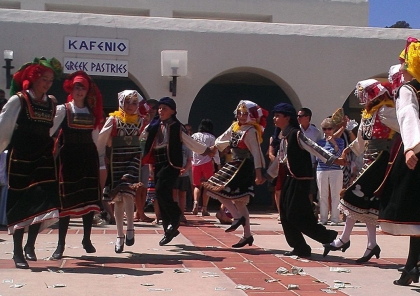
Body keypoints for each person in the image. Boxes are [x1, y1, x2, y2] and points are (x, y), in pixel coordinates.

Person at [323, 79, 399, 262]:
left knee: (352, 196)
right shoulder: (368, 114)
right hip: (368, 161)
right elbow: (360, 141)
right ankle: (371, 245)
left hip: (380, 162)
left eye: (366, 93)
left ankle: (343, 239)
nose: (362, 98)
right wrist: (349, 149)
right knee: (366, 204)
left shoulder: (385, 111)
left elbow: (405, 127)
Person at [0, 57, 62, 268]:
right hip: (21, 158)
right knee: (20, 203)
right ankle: (17, 251)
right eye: (44, 79)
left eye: (51, 80)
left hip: (43, 157)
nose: (47, 83)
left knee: (42, 201)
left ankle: (30, 246)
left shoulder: (52, 103)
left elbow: (50, 130)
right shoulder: (19, 100)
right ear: (33, 77)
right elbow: (4, 128)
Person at [264, 103, 341, 257]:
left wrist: (334, 160)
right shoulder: (284, 136)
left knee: (295, 215)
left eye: (278, 115)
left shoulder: (296, 134)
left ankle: (328, 237)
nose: (274, 118)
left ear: (287, 118)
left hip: (300, 180)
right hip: (289, 179)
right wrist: (267, 176)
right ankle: (300, 247)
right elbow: (281, 159)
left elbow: (314, 148)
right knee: (285, 215)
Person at [141, 97, 215, 246]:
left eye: (165, 108)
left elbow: (190, 142)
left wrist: (206, 151)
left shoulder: (177, 127)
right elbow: (142, 137)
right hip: (158, 163)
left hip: (172, 164)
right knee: (161, 194)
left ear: (173, 111)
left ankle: (175, 218)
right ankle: (169, 229)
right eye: (160, 108)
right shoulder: (154, 125)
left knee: (162, 190)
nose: (161, 111)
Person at [378, 37, 420, 286]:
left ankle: (410, 268)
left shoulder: (409, 90)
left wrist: (412, 148)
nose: (402, 69)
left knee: (414, 212)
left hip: (416, 155)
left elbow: (408, 117)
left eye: (404, 63)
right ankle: (410, 268)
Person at [49, 71, 103, 259]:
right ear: (71, 88)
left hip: (88, 158)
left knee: (88, 199)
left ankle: (87, 239)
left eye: (83, 87)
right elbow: (50, 130)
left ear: (88, 91)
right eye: (77, 86)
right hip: (69, 158)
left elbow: (97, 139)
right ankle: (60, 245)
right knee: (66, 201)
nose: (80, 91)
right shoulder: (64, 109)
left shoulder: (91, 111)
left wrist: (101, 162)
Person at [203, 100, 267, 248]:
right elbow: (223, 138)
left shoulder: (251, 131)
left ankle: (238, 220)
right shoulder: (235, 126)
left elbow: (256, 153)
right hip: (234, 163)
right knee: (221, 192)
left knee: (222, 191)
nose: (241, 116)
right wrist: (214, 147)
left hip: (243, 165)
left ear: (251, 115)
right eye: (239, 113)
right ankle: (246, 233)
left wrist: (258, 172)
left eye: (245, 113)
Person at [97, 90, 149, 253]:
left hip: (132, 159)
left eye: (134, 102)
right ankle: (120, 235)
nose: (131, 106)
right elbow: (101, 139)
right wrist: (100, 158)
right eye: (128, 102)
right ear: (121, 103)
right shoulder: (113, 119)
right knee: (118, 199)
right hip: (116, 160)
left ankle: (131, 228)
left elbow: (144, 138)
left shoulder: (141, 121)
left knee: (128, 191)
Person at [316, 118, 344, 226]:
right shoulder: (320, 142)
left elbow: (339, 156)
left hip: (336, 170)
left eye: (330, 129)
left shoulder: (340, 141)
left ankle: (335, 218)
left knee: (335, 195)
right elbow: (318, 157)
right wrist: (330, 155)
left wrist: (334, 144)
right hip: (322, 169)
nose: (327, 131)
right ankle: (323, 218)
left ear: (334, 129)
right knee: (323, 195)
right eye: (325, 129)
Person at [133, 99, 158, 223]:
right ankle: (140, 213)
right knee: (138, 187)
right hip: (138, 158)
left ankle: (139, 212)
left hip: (148, 159)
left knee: (144, 188)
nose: (151, 110)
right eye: (150, 107)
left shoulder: (156, 123)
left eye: (154, 108)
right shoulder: (140, 121)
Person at [191, 119, 221, 216]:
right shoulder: (211, 137)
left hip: (195, 163)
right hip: (207, 163)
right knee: (207, 186)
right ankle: (204, 208)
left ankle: (195, 202)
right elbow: (215, 153)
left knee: (196, 185)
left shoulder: (194, 136)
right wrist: (218, 165)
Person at [297, 108, 323, 208]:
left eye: (300, 116)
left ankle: (308, 210)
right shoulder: (296, 130)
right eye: (297, 116)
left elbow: (318, 149)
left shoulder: (316, 132)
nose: (298, 118)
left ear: (307, 117)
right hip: (297, 164)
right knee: (298, 189)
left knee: (310, 190)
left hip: (311, 165)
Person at [173, 143, 192, 223]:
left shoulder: (187, 146)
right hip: (174, 173)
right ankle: (174, 213)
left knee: (182, 195)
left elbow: (189, 160)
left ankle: (181, 214)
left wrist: (185, 169)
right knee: (173, 195)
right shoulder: (172, 145)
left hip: (184, 174)